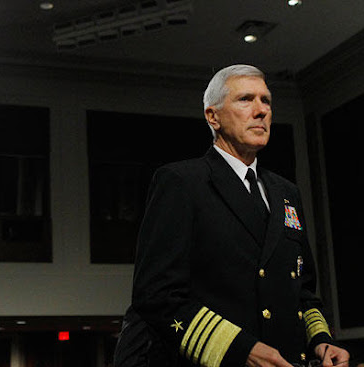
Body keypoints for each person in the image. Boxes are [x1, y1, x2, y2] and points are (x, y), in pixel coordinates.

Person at [113, 64, 350, 367]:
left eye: (266, 101)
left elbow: (302, 290)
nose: (261, 110)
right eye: (245, 99)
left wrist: (321, 340)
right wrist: (240, 350)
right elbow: (156, 295)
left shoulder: (287, 192)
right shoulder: (182, 182)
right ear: (213, 117)